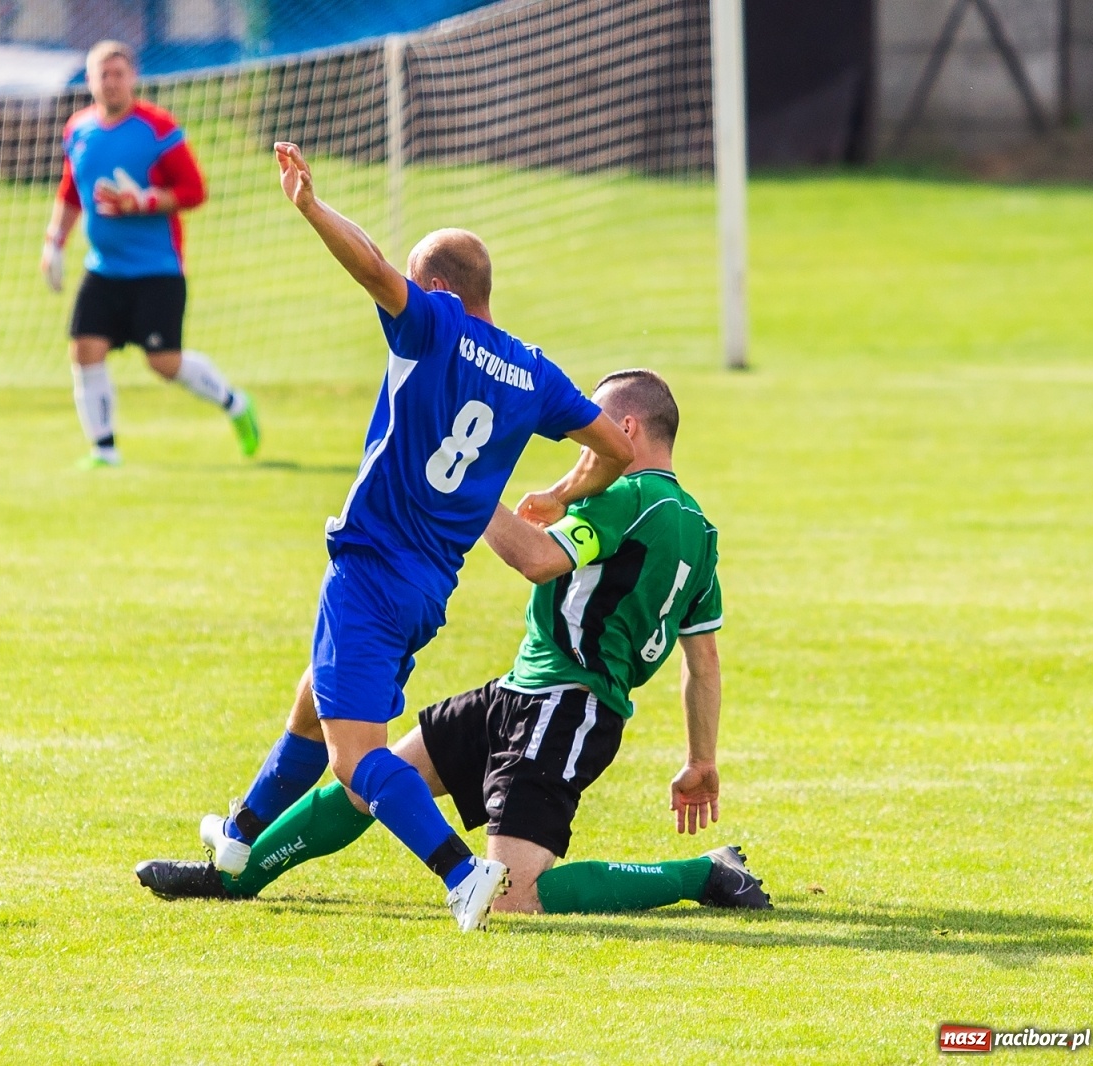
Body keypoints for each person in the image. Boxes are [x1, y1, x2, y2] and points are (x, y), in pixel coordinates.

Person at [179, 141, 634, 932]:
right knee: (313, 705)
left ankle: (462, 875)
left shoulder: (434, 324)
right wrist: (561, 491)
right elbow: (619, 448)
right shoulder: (536, 374)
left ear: (440, 288)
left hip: (371, 569)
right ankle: (241, 840)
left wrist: (312, 207)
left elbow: (372, 267)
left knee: (358, 761)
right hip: (427, 587)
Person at [137, 369, 771, 915]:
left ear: (626, 430)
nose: (585, 443)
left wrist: (466, 487)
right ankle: (232, 876)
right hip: (519, 692)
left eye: (593, 426)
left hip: (568, 709)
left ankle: (706, 872)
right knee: (365, 780)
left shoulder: (628, 495)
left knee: (514, 896)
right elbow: (703, 659)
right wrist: (701, 761)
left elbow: (534, 560)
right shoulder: (700, 532)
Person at [43, 40, 260, 467]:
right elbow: (71, 189)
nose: (111, 82)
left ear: (133, 79)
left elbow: (194, 191)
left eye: (119, 73)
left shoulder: (157, 127)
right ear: (89, 81)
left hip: (156, 268)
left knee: (163, 363)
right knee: (84, 349)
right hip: (103, 269)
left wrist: (141, 202)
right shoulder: (78, 130)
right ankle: (104, 451)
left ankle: (235, 404)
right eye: (102, 74)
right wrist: (54, 241)